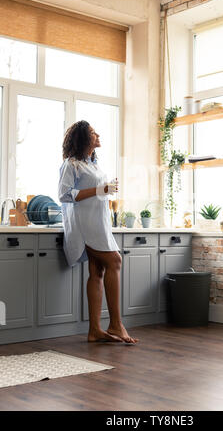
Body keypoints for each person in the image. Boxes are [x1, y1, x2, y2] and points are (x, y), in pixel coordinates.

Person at [58, 120, 138, 344]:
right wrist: (100, 189)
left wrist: (107, 188)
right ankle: (115, 324)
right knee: (115, 261)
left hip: (98, 221)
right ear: (84, 138)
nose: (98, 134)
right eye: (93, 132)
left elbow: (95, 192)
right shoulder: (71, 164)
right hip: (85, 224)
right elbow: (64, 195)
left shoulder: (92, 164)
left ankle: (94, 330)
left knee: (97, 272)